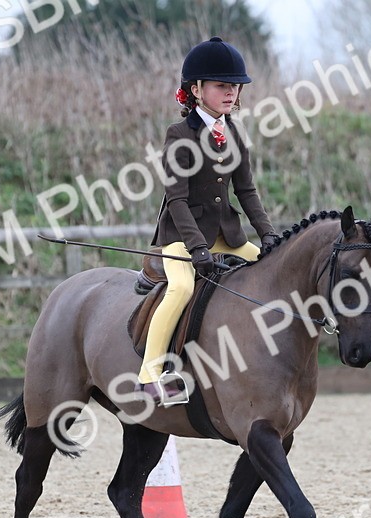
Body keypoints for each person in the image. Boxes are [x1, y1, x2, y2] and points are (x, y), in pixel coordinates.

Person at [138, 36, 281, 405]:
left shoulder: (234, 132)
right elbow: (177, 198)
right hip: (182, 236)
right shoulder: (179, 135)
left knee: (275, 275)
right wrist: (197, 247)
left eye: (234, 86)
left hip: (227, 235)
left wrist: (268, 235)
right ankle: (151, 374)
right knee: (182, 289)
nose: (231, 93)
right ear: (197, 89)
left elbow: (246, 192)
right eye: (222, 86)